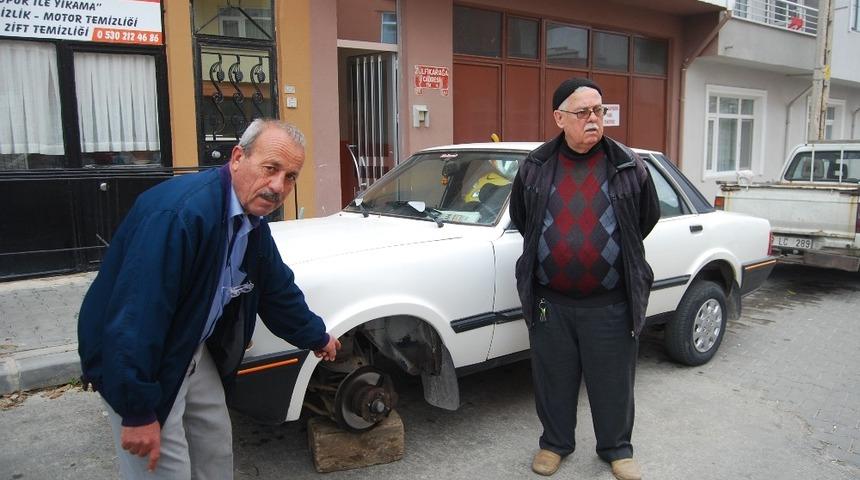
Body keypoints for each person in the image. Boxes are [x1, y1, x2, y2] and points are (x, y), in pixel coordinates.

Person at [78, 118, 341, 479]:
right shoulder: (182, 216)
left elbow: (276, 290)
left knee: (214, 449)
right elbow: (135, 318)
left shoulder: (251, 222)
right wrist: (137, 411)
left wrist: (317, 336)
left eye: (291, 176)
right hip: (144, 356)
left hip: (190, 346)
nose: (278, 186)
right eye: (271, 168)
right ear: (237, 158)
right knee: (165, 469)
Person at [509, 78, 660, 480]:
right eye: (582, 112)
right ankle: (554, 444)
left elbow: (645, 220)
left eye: (598, 110)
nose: (593, 118)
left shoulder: (628, 166)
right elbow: (524, 219)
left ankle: (617, 449)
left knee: (613, 381)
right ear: (559, 118)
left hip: (610, 303)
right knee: (553, 378)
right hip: (551, 302)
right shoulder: (536, 167)